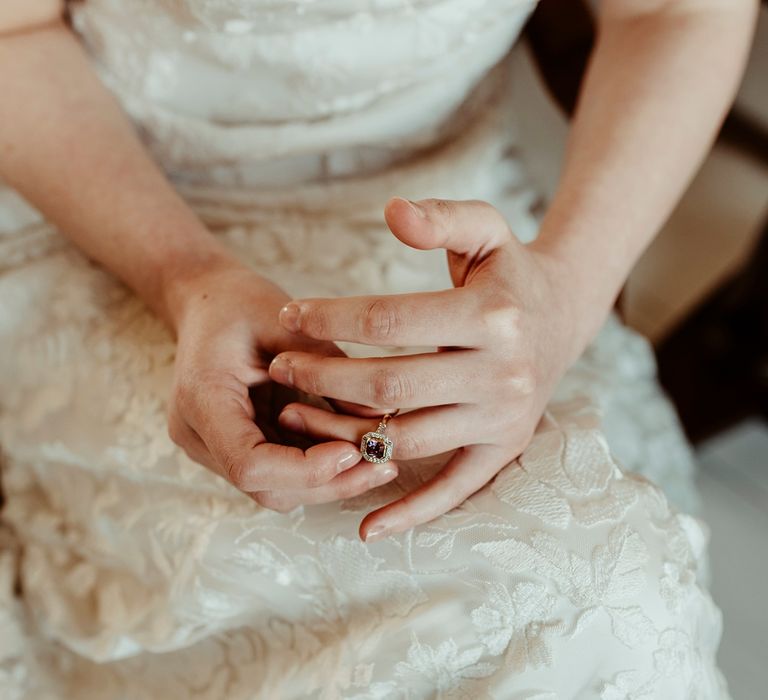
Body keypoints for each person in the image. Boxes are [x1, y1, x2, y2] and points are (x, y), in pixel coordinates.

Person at [0, 0, 756, 697]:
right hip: (106, 216)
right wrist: (185, 276)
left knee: (596, 603)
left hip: (447, 237)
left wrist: (561, 295)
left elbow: (673, 7)